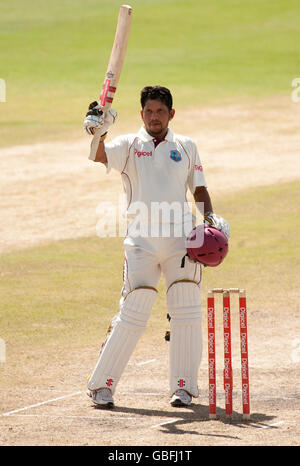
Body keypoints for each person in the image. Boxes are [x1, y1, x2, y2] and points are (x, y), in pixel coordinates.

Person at [83, 86, 229, 408]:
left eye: (160, 111)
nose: (154, 117)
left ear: (171, 114)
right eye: (148, 111)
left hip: (183, 242)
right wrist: (98, 132)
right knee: (133, 310)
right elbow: (98, 154)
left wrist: (211, 220)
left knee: (186, 309)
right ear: (141, 114)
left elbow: (200, 190)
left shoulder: (186, 146)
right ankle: (102, 385)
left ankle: (183, 387)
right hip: (141, 242)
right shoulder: (129, 145)